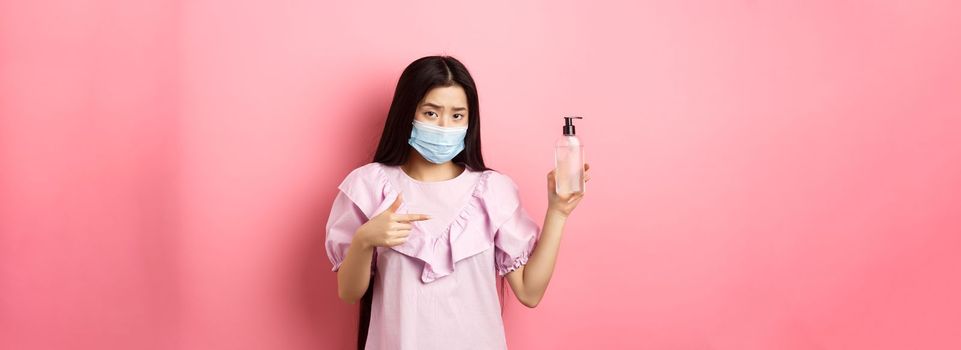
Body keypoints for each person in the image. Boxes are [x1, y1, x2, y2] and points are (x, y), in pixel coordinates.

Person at [324, 55, 591, 349]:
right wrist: (364, 239)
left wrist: (558, 212)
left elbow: (529, 292)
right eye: (430, 113)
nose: (443, 125)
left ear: (469, 121)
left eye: (457, 115)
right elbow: (349, 293)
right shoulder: (369, 186)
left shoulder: (492, 191)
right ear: (406, 113)